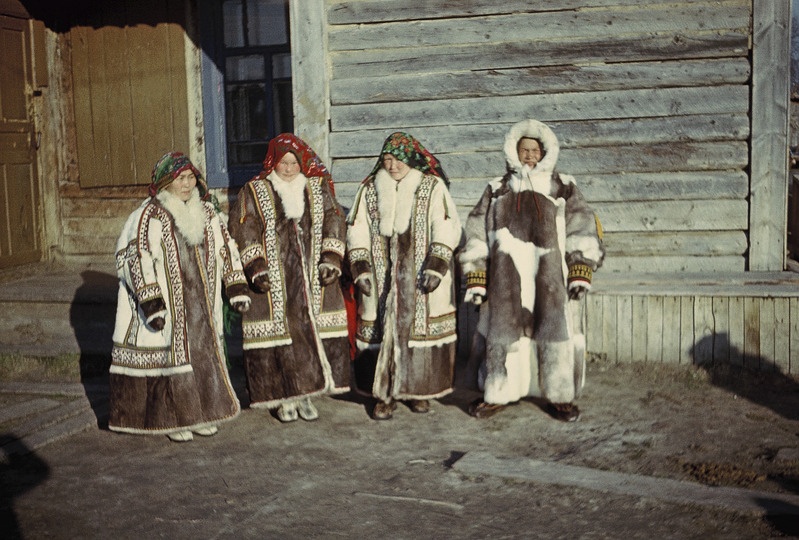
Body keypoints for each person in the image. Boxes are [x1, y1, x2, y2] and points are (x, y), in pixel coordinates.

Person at [460, 119, 604, 422]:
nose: (528, 156)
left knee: (554, 331)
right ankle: (498, 392)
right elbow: (475, 231)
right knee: (503, 333)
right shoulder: (497, 189)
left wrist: (580, 267)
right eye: (523, 150)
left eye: (534, 150)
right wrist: (476, 273)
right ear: (514, 151)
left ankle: (559, 395)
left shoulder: (562, 185)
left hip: (549, 276)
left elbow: (582, 225)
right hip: (506, 279)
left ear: (544, 152)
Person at [109, 152, 250, 442]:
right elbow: (134, 256)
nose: (186, 185)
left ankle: (200, 414)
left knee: (201, 355)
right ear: (165, 182)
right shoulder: (148, 215)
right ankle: (175, 420)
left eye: (190, 178)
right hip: (168, 305)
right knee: (170, 359)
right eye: (178, 179)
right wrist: (151, 301)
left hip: (201, 301)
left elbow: (227, 248)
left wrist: (235, 284)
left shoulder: (208, 213)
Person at [228, 133, 350, 422]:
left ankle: (307, 394)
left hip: (311, 277)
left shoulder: (317, 189)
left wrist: (331, 258)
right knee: (280, 337)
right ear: (274, 162)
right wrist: (256, 267)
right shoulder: (255, 191)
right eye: (283, 162)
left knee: (307, 334)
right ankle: (283, 398)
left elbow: (335, 219)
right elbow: (245, 227)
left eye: (294, 162)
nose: (289, 168)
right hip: (274, 279)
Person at [346, 132, 462, 420]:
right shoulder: (369, 190)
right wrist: (360, 266)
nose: (392, 165)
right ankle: (384, 395)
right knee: (378, 332)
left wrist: (437, 263)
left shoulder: (431, 187)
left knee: (418, 331)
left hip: (420, 278)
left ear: (410, 158)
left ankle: (417, 392)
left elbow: (446, 224)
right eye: (386, 159)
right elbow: (356, 228)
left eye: (397, 159)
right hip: (379, 277)